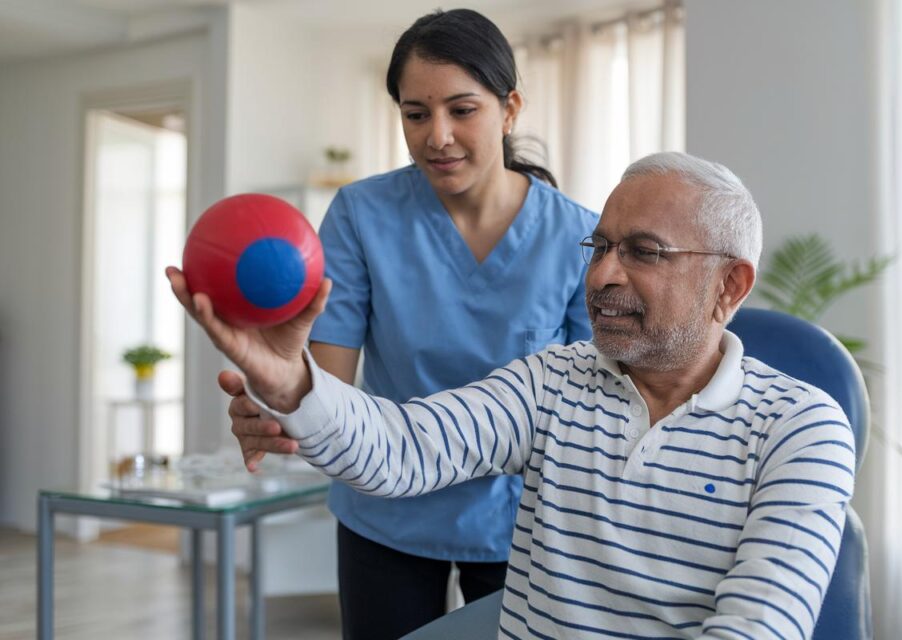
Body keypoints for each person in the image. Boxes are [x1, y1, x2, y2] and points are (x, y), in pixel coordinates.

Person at [169, 151, 855, 638]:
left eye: (643, 252)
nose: (604, 274)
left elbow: (757, 627)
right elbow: (402, 449)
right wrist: (290, 378)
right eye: (601, 246)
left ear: (730, 286)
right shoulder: (552, 381)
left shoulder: (801, 428)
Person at [172, 9, 596, 639]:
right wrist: (278, 400)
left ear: (509, 109)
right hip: (386, 506)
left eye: (462, 109)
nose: (439, 137)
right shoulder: (361, 214)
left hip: (522, 520)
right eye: (416, 113)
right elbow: (327, 383)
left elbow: (594, 400)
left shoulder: (580, 235)